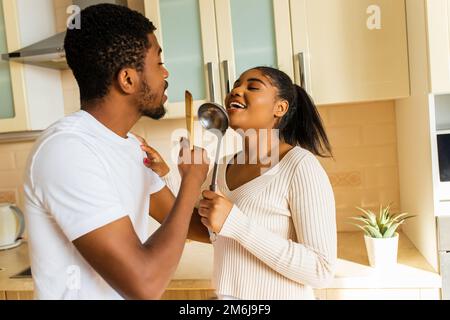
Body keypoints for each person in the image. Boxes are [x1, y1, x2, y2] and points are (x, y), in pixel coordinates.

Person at [23, 4, 209, 300]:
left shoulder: (131, 147)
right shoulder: (67, 151)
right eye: (158, 62)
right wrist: (190, 182)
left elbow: (190, 225)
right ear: (128, 79)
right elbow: (144, 284)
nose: (166, 72)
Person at [143, 66, 337, 300]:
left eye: (252, 87)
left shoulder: (299, 166)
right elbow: (198, 226)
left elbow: (321, 269)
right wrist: (163, 173)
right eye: (235, 85)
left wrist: (234, 221)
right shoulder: (222, 166)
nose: (236, 90)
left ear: (280, 108)